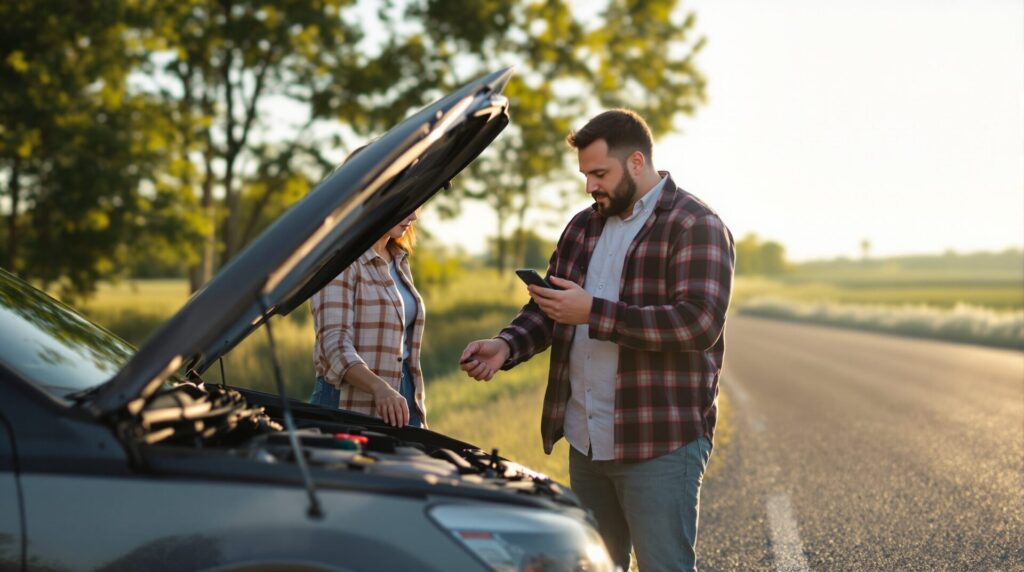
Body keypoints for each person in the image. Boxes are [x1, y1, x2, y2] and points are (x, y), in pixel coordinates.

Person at [459, 109, 734, 571]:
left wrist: (596, 313)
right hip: (585, 441)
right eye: (585, 174)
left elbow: (698, 324)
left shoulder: (695, 225)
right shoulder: (582, 226)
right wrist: (505, 345)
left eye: (599, 173)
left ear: (636, 162)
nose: (590, 186)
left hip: (658, 443)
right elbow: (549, 309)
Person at [310, 210, 426, 428]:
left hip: (403, 401)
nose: (414, 217)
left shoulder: (398, 258)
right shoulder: (339, 259)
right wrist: (379, 388)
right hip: (347, 407)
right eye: (407, 207)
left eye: (417, 208)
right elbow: (334, 344)